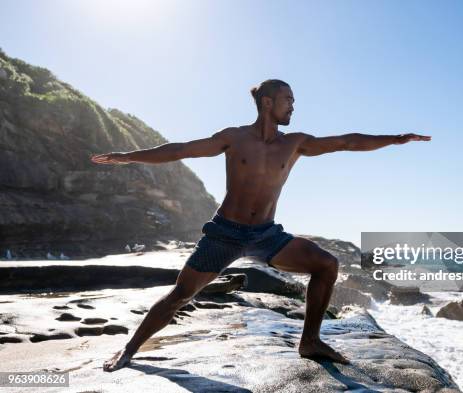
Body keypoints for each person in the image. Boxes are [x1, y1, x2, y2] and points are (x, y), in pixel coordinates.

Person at [91, 79, 431, 371]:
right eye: (289, 100)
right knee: (180, 295)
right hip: (225, 232)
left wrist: (397, 138)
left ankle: (310, 342)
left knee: (327, 265)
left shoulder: (294, 142)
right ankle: (130, 349)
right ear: (268, 102)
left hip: (267, 235)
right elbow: (180, 150)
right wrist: (128, 157)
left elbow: (347, 141)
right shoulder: (234, 137)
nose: (294, 107)